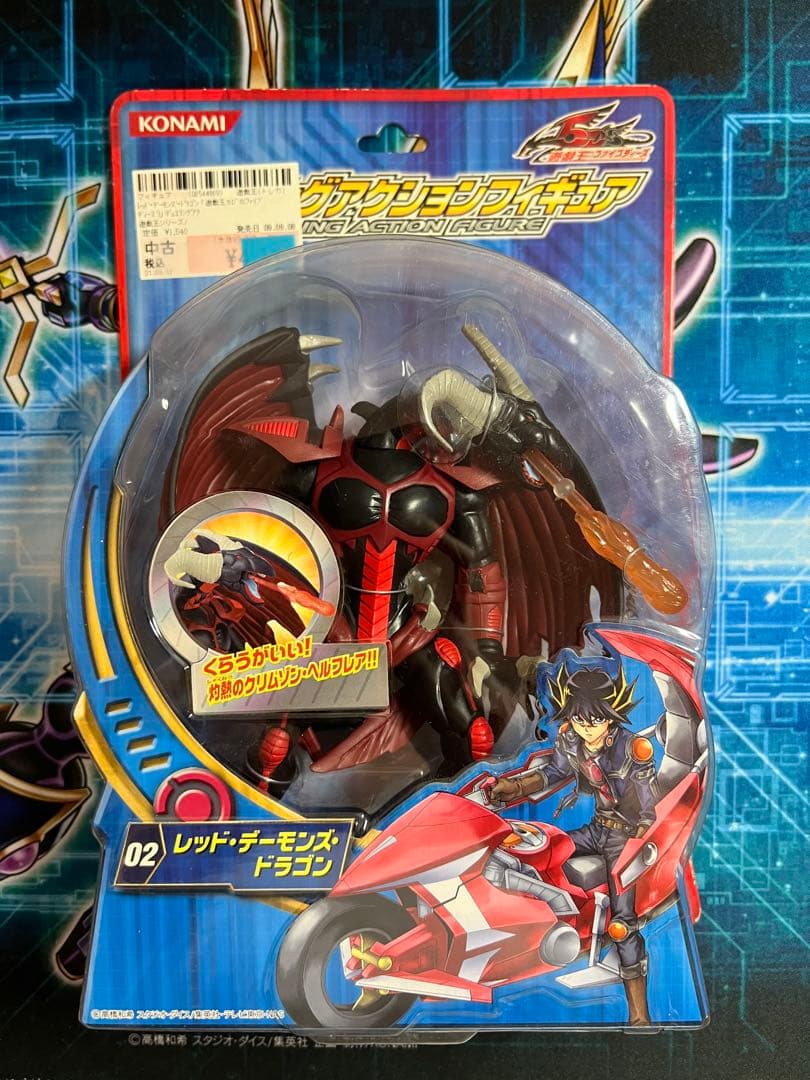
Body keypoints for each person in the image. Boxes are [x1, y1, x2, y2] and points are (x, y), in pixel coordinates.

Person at [489, 664, 657, 1026]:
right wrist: (513, 788)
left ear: (611, 716)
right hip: (596, 829)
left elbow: (648, 806)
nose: (586, 727)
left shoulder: (633, 748)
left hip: (625, 838)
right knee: (533, 852)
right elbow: (554, 773)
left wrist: (639, 841)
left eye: (595, 720)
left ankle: (639, 1017)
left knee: (623, 925)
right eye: (579, 719)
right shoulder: (570, 739)